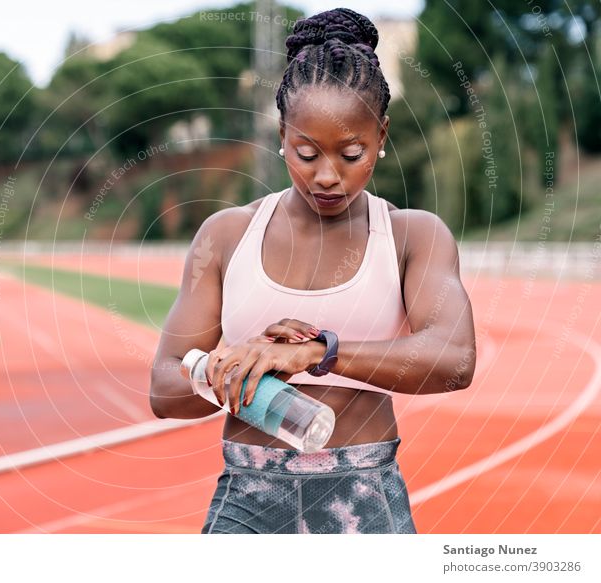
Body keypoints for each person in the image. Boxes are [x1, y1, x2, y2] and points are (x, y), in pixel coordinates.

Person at [149, 7, 476, 534]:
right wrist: (227, 367)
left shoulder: (413, 235)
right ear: (281, 133)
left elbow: (455, 359)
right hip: (247, 501)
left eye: (352, 154)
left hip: (365, 500)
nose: (327, 177)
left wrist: (321, 351)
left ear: (382, 135)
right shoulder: (227, 235)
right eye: (305, 152)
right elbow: (165, 389)